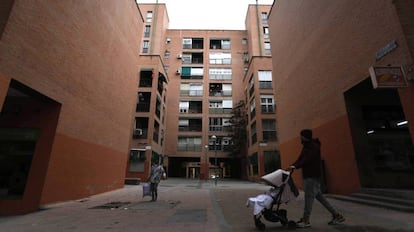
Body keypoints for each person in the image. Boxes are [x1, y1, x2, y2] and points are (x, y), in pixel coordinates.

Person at [288, 129, 345, 228]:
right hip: (310, 176)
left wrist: (296, 166)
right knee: (320, 197)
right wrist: (293, 166)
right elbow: (300, 158)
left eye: (301, 136)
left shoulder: (313, 146)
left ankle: (306, 220)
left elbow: (307, 159)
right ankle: (337, 215)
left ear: (305, 136)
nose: (300, 137)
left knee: (308, 198)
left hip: (311, 176)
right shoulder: (306, 146)